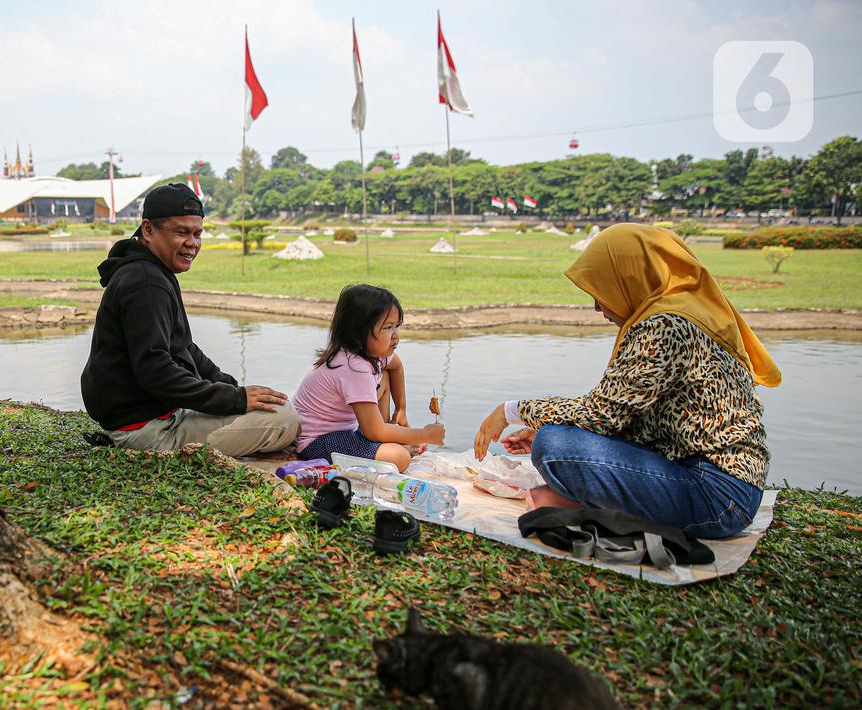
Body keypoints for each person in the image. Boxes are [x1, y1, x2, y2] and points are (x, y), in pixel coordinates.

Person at [473, 224, 781, 539]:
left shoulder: (665, 325)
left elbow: (603, 413)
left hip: (716, 496)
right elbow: (630, 416)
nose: (597, 306)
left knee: (555, 447)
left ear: (629, 279)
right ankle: (573, 499)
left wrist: (512, 410)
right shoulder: (688, 311)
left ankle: (575, 504)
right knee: (556, 436)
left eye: (601, 291)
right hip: (725, 487)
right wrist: (552, 424)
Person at [80, 183, 299, 456]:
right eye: (181, 232)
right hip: (147, 430)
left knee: (273, 407)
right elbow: (155, 371)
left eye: (197, 234)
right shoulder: (146, 282)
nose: (192, 243)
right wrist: (235, 399)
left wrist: (234, 390)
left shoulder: (152, 270)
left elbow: (184, 348)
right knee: (285, 421)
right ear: (148, 230)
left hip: (155, 413)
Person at [293, 284, 445, 472]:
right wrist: (424, 435)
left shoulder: (373, 355)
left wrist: (401, 408)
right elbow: (374, 431)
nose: (396, 336)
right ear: (358, 334)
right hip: (317, 441)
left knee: (386, 376)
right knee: (399, 458)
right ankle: (391, 444)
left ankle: (389, 439)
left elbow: (396, 366)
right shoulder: (353, 367)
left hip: (347, 431)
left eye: (396, 326)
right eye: (388, 328)